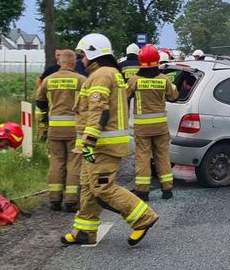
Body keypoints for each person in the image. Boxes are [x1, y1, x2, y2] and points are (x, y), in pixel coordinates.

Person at [61, 33, 159, 247]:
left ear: (92, 53)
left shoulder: (102, 75)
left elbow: (98, 111)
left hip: (101, 145)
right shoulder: (106, 73)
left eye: (83, 55)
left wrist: (88, 141)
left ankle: (143, 218)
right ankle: (84, 232)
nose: (81, 60)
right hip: (96, 145)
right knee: (88, 186)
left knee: (102, 187)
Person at [34, 49, 86, 211]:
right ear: (73, 62)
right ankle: (71, 200)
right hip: (74, 129)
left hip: (54, 129)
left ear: (60, 62)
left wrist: (47, 117)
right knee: (73, 162)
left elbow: (40, 101)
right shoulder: (81, 80)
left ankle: (55, 199)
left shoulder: (48, 80)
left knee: (56, 162)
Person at [127, 43, 180, 200]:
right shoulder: (164, 80)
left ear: (140, 60)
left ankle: (142, 191)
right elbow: (174, 96)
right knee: (162, 156)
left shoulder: (134, 80)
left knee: (142, 156)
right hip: (160, 127)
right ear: (157, 60)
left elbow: (124, 97)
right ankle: (167, 190)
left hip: (142, 128)